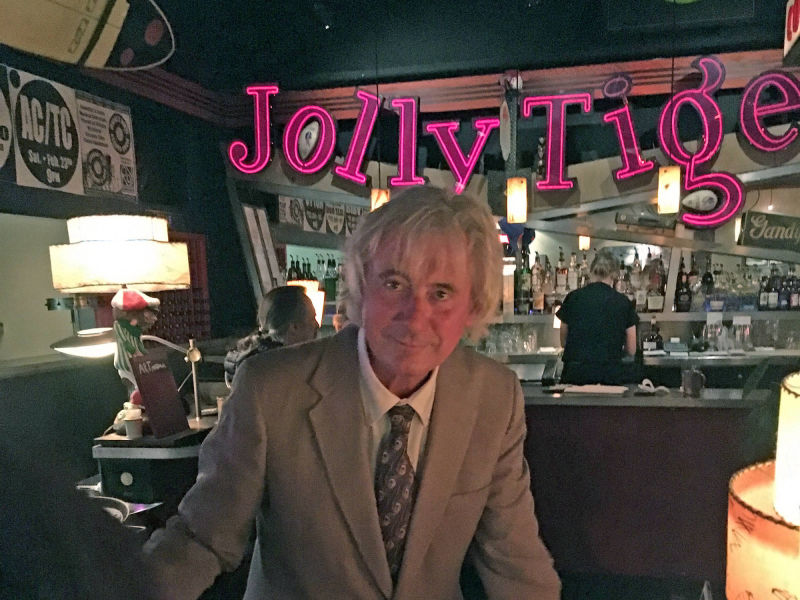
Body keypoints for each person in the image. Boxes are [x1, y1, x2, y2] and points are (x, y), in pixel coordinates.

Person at [144, 186, 561, 600]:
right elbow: (201, 538)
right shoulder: (269, 388)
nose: (415, 317)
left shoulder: (493, 397)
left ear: (473, 305)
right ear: (361, 285)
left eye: (441, 293)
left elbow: (516, 562)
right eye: (394, 284)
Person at [555, 248, 639, 385]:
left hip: (575, 377)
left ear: (591, 271)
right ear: (614, 274)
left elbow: (563, 341)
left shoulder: (573, 298)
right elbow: (631, 349)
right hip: (610, 377)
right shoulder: (623, 302)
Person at [223, 285, 319, 387]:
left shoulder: (249, 362)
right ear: (294, 327)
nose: (317, 325)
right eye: (312, 319)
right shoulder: (283, 373)